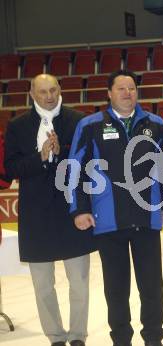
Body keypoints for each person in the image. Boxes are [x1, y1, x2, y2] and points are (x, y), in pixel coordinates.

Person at [68, 70, 163, 346]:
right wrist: (79, 209)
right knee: (116, 288)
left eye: (132, 88)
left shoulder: (154, 123)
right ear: (109, 93)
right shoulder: (90, 125)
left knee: (151, 286)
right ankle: (121, 340)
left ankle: (154, 338)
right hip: (108, 220)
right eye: (121, 88)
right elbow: (75, 169)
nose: (127, 93)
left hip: (147, 215)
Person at [4, 74, 95, 346]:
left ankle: (78, 336)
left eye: (53, 90)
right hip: (36, 217)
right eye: (42, 91)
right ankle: (55, 337)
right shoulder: (17, 126)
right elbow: (11, 169)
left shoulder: (78, 120)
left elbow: (89, 163)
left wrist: (62, 153)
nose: (49, 96)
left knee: (79, 282)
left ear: (60, 90)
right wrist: (41, 157)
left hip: (73, 212)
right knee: (43, 286)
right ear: (32, 93)